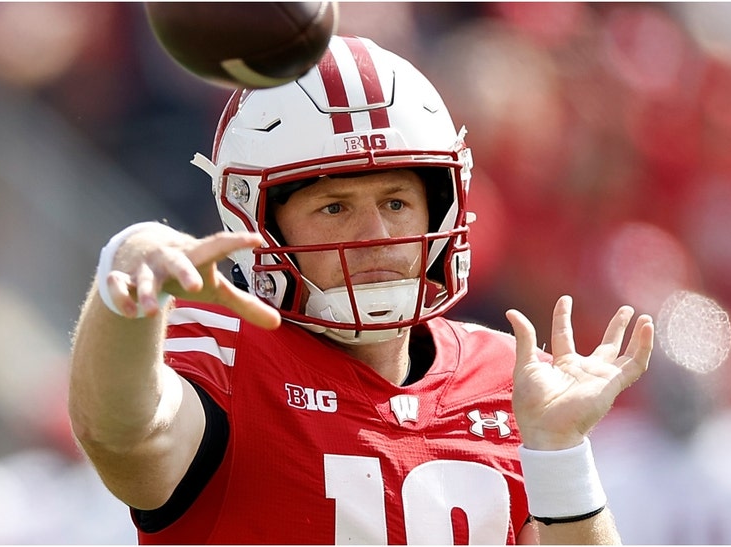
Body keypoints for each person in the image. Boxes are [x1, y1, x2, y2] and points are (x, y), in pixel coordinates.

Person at [68, 35, 654, 545]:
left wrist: (559, 453)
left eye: (396, 202)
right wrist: (124, 294)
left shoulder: (506, 378)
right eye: (334, 207)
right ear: (258, 222)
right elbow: (121, 434)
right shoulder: (221, 354)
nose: (376, 236)